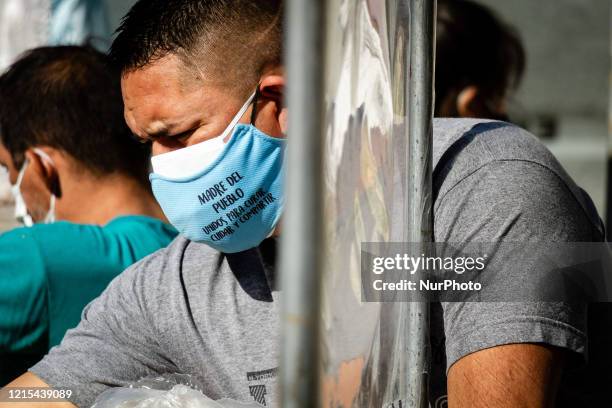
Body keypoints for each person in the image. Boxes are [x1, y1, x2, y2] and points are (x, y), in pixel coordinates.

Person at [1, 1, 606, 407]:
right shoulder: (181, 285)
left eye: (178, 136)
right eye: (147, 144)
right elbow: (39, 394)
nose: (162, 166)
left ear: (281, 100)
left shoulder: (481, 186)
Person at [0, 45, 177, 384]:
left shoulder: (37, 257)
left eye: (9, 169)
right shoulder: (197, 258)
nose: (11, 185)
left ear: (40, 167)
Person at [435, 0, 525, 120]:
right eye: (499, 97)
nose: (504, 108)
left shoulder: (404, 131)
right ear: (473, 105)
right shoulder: (505, 136)